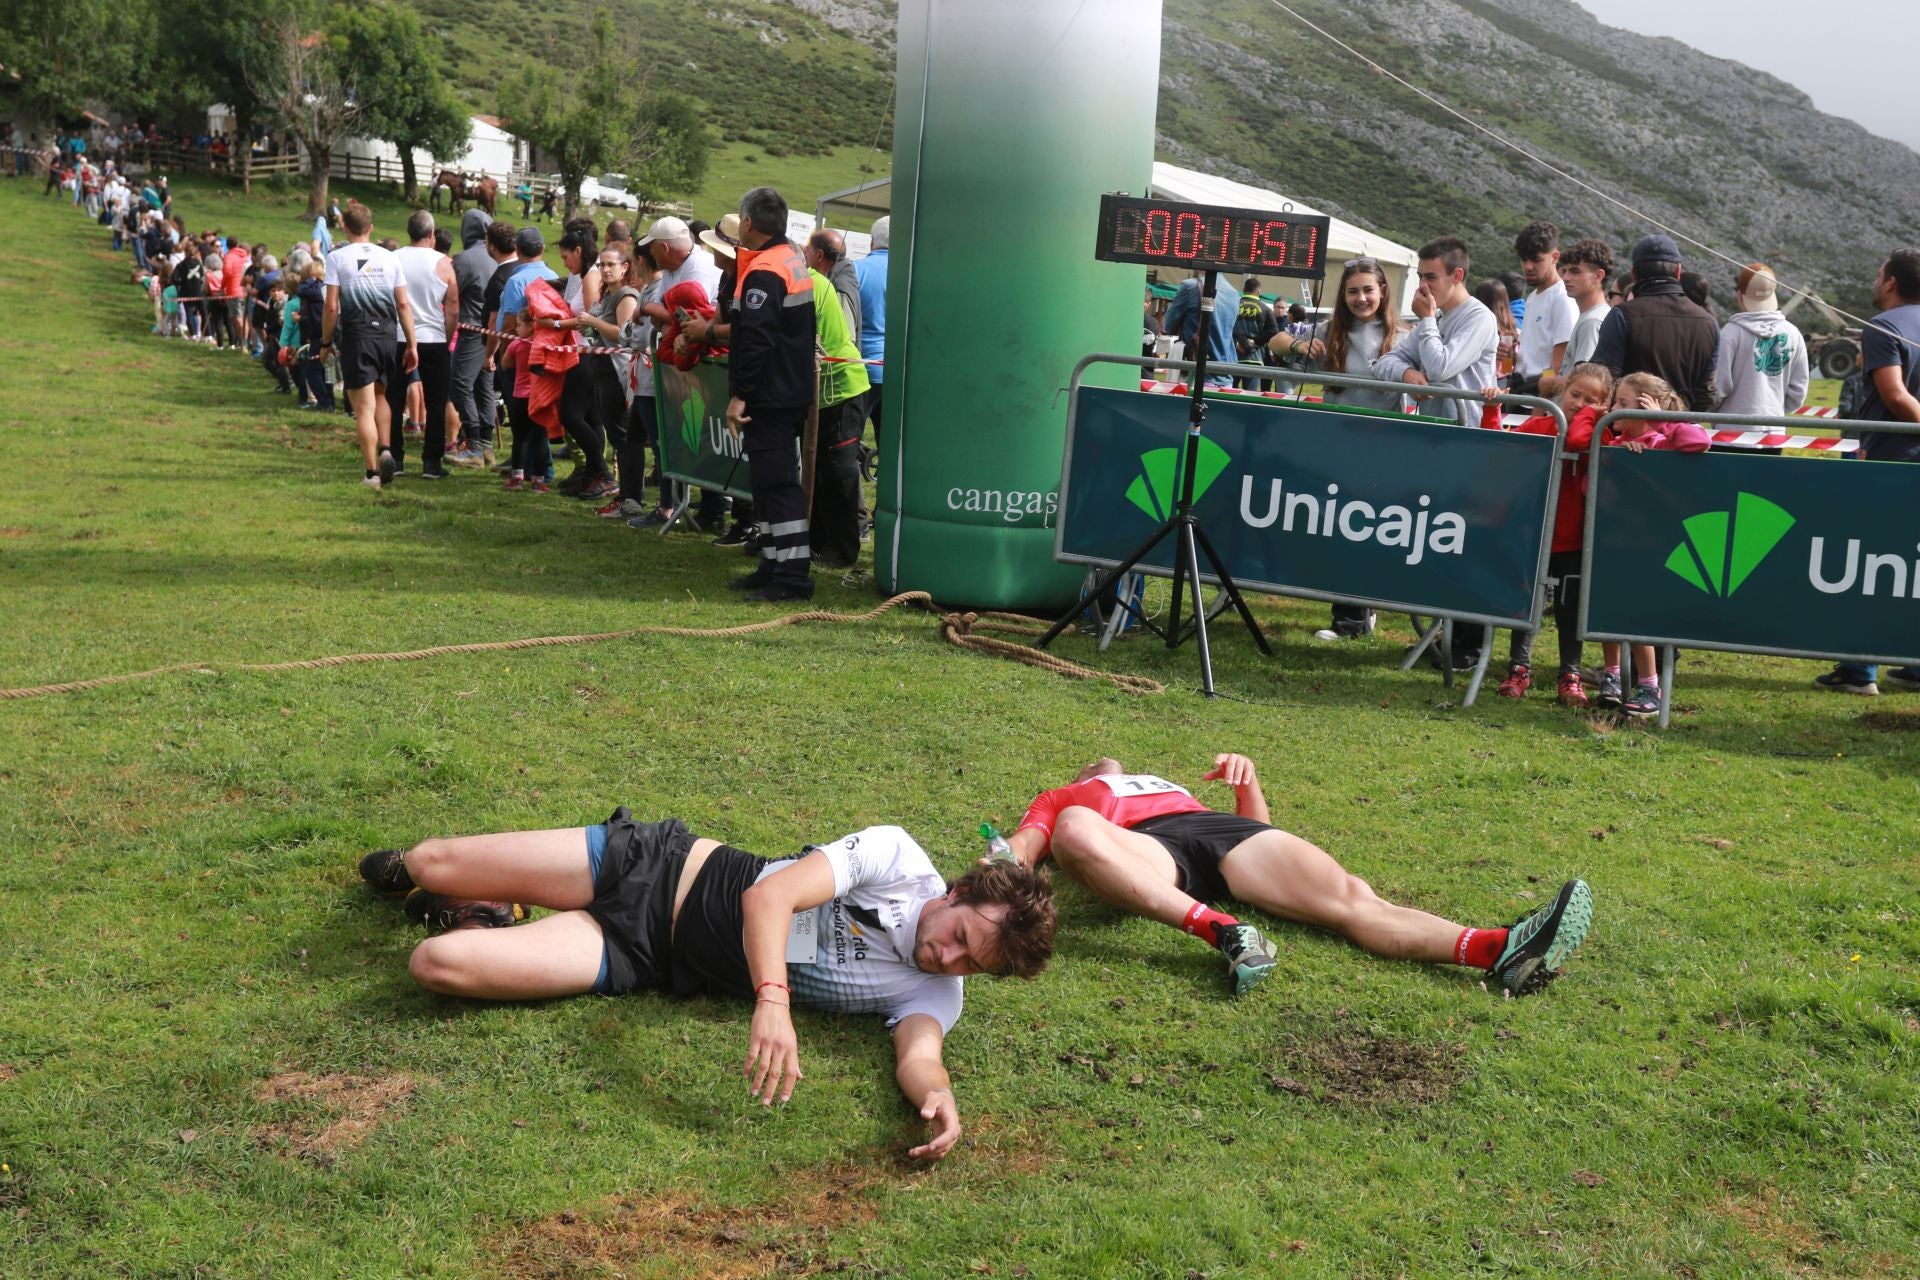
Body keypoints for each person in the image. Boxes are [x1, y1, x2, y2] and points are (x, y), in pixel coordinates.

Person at [356, 811, 1055, 1161]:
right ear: (958, 890)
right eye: (958, 937)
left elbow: (919, 1053)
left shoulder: (935, 994)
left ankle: (479, 917)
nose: (946, 960)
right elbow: (769, 900)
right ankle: (450, 888)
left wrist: (937, 1096)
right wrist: (772, 1002)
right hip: (654, 868)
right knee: (428, 859)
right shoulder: (898, 859)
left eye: (971, 966)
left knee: (437, 966)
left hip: (641, 955)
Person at [998, 754, 1592, 999]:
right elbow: (1024, 849)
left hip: (1212, 831)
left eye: (1112, 762)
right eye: (1100, 764)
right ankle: (1226, 932)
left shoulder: (1163, 782)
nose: (1109, 763)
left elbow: (1256, 833)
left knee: (1353, 899)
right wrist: (995, 868)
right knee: (1076, 827)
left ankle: (1498, 950)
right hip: (1146, 851)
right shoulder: (1068, 794)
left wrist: (1246, 782)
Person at [1372, 237, 1500, 668]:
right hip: (1439, 439)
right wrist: (1409, 370)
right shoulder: (1439, 315)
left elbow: (1443, 367)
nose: (1423, 286)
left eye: (1431, 277)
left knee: (1467, 542)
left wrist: (1426, 325)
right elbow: (1384, 363)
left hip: (1471, 442)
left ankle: (1467, 645)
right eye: (1421, 276)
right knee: (1444, 542)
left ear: (1456, 276)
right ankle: (1445, 633)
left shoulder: (1476, 318)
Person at [1267, 257, 1405, 644]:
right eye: (1353, 291)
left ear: (1383, 292)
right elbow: (1276, 340)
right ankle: (1352, 614)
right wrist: (1298, 343)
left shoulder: (1402, 337)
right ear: (1342, 296)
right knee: (1342, 533)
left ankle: (1359, 613)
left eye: (1368, 290)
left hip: (1384, 447)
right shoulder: (1329, 330)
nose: (1361, 298)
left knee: (1369, 533)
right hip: (1337, 444)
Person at [1815, 249, 1920, 696]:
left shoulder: (1884, 326)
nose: (1876, 282)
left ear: (1892, 281)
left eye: (1879, 275)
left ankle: (1861, 670)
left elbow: (1895, 396)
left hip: (1892, 460)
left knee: (1873, 564)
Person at [1481, 364, 1616, 705]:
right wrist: (1492, 409)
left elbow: (1576, 440)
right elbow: (1503, 450)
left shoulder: (1602, 435)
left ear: (1604, 405)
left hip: (1577, 541)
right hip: (1536, 534)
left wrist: (1591, 418)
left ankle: (1570, 674)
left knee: (1571, 609)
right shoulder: (1541, 425)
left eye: (1591, 400)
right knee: (1526, 605)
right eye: (1575, 395)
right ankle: (1518, 669)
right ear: (1563, 389)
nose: (1578, 403)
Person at [1596, 372, 1710, 715]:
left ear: (1647, 408)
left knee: (1637, 615)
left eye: (1623, 404)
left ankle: (1650, 686)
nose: (1614, 409)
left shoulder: (1663, 441)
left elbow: (1697, 441)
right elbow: (1594, 484)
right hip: (1611, 539)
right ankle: (1611, 675)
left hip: (1650, 544)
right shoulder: (1616, 444)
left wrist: (1662, 421)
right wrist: (1619, 457)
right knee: (1606, 610)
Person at [726, 187, 819, 602]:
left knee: (778, 485)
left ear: (747, 222)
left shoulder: (766, 268)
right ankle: (772, 563)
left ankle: (793, 577)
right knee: (766, 484)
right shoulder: (789, 258)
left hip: (771, 395)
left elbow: (758, 339)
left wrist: (740, 394)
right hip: (784, 390)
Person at [318, 201, 419, 489]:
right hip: (388, 337)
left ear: (345, 227)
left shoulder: (336, 258)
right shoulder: (391, 257)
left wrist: (326, 342)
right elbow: (403, 303)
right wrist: (411, 344)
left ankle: (372, 473)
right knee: (382, 397)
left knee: (363, 408)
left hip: (357, 336)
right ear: (371, 228)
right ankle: (387, 449)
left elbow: (331, 307)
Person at [1591, 234, 1720, 412]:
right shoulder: (1708, 323)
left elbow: (1604, 381)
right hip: (1680, 430)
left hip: (1629, 434)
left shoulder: (1622, 315)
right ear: (1678, 272)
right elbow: (1706, 393)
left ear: (1634, 274)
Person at [806, 252, 871, 568]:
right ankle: (818, 542)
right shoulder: (803, 282)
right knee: (818, 470)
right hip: (823, 391)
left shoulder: (809, 285)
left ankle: (845, 549)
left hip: (843, 388)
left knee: (839, 472)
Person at [390, 210, 460, 480]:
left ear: (410, 232)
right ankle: (431, 462)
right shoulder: (443, 263)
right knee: (436, 401)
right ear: (431, 234)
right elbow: (452, 307)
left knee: (394, 401)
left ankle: (395, 457)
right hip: (433, 339)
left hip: (398, 337)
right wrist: (446, 334)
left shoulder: (394, 258)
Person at [446, 209, 504, 468]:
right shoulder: (495, 256)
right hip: (493, 332)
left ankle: (474, 446)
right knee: (484, 388)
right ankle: (487, 446)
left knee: (459, 385)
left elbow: (450, 292)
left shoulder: (465, 259)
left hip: (470, 330)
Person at [1713, 263, 1809, 418]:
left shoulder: (1730, 333)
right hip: (1773, 431)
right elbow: (1798, 391)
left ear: (1740, 294)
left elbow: (1718, 387)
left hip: (1729, 432)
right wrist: (1773, 410)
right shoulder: (1793, 333)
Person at [1540, 239, 1614, 398]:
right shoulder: (1591, 316)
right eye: (1564, 271)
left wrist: (1547, 383)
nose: (1566, 278)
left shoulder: (1592, 321)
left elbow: (1585, 381)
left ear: (1598, 276)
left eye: (1575, 271)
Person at [1512, 221, 1576, 398]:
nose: (1528, 266)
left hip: (1538, 398)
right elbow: (1535, 354)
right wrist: (1512, 355)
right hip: (1520, 390)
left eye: (1536, 260)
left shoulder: (1562, 298)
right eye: (1524, 259)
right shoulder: (1533, 297)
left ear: (1555, 257)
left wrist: (1540, 392)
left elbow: (1559, 366)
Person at [1164, 272, 1241, 387]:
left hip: (1195, 374)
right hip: (1225, 374)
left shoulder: (1190, 287)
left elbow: (1168, 326)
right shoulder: (1234, 294)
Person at [806, 227, 861, 338]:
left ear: (819, 255)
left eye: (808, 249)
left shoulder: (840, 286)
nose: (805, 253)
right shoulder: (841, 275)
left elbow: (848, 337)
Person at [1232, 275, 1277, 390]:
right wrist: (1255, 341)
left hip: (1232, 357)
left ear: (1244, 290)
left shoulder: (1233, 305)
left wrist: (1237, 343)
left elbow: (1226, 326)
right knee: (1249, 397)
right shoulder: (1266, 309)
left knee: (1227, 394)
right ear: (1258, 291)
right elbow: (1273, 331)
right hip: (1254, 359)